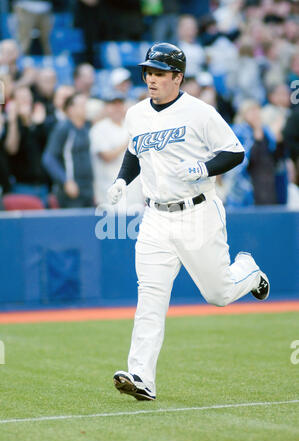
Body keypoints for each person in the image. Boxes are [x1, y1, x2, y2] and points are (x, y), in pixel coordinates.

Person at [106, 42, 270, 401]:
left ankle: (249, 270)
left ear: (178, 77)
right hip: (154, 218)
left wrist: (204, 167)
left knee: (219, 294)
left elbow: (235, 151)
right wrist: (122, 180)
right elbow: (135, 151)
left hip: (197, 211)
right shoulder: (136, 114)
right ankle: (141, 376)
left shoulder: (199, 112)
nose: (151, 78)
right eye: (148, 72)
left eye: (160, 73)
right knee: (149, 297)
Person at [42, 92, 94, 208]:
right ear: (71, 109)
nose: (86, 108)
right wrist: (66, 181)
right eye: (82, 105)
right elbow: (48, 158)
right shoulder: (63, 128)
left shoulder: (86, 128)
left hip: (88, 190)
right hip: (71, 191)